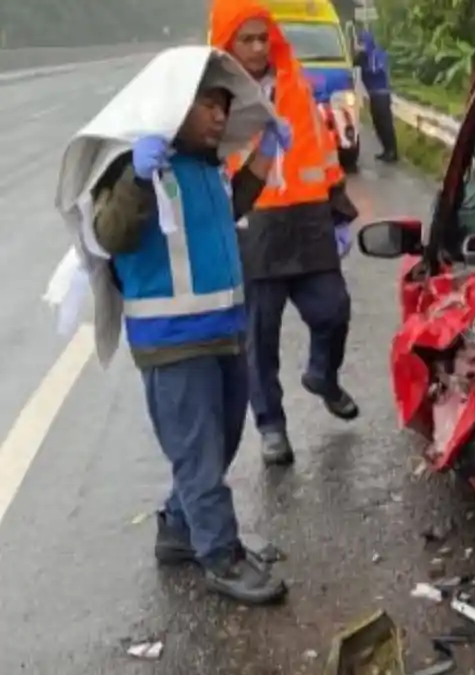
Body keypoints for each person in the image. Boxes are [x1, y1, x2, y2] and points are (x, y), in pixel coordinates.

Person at [91, 64, 292, 605]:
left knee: (221, 442)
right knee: (199, 453)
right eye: (208, 103)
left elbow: (230, 211)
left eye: (225, 105)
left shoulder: (208, 168)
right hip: (173, 339)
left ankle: (179, 530)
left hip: (223, 330)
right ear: (174, 104)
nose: (220, 114)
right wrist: (135, 176)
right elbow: (110, 233)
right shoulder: (136, 164)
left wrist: (267, 151)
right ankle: (220, 556)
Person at [210, 0, 361, 467]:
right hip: (253, 227)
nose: (258, 48)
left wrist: (338, 206)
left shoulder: (294, 81)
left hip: (307, 220)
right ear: (227, 43)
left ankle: (322, 375)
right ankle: (271, 425)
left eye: (262, 37)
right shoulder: (214, 97)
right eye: (247, 39)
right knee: (260, 336)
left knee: (333, 310)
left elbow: (320, 145)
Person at [354, 28, 399, 163]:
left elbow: (375, 70)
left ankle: (392, 151)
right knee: (377, 124)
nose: (359, 46)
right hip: (374, 95)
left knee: (385, 124)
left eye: (361, 42)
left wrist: (363, 58)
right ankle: (386, 150)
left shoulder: (376, 54)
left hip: (381, 95)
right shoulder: (363, 56)